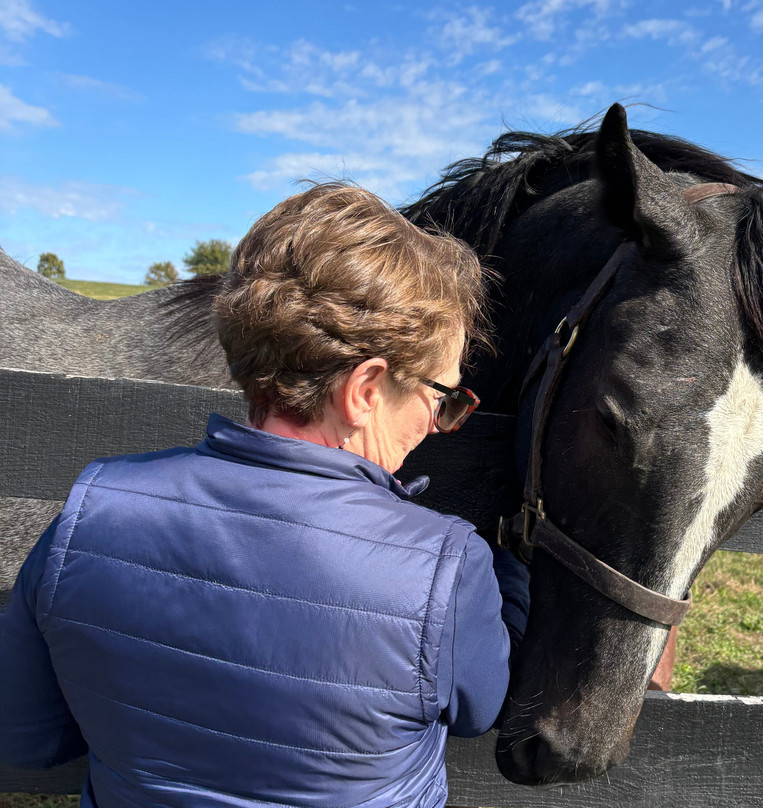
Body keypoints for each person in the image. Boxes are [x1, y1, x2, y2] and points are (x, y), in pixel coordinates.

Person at [0, 182, 530, 808]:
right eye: (443, 396)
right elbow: (479, 706)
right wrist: (513, 567)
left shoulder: (92, 509)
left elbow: (25, 738)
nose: (437, 421)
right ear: (365, 389)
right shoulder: (446, 566)